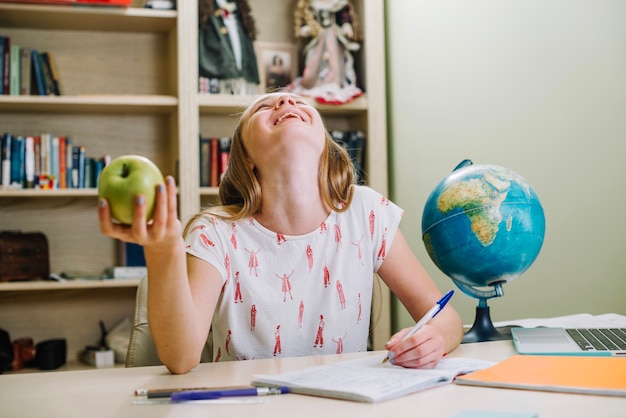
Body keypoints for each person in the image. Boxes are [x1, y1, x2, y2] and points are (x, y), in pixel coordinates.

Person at [98, 93, 464, 375]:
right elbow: (181, 358)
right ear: (246, 159)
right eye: (264, 108)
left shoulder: (366, 213)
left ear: (325, 147)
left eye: (298, 103)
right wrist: (163, 250)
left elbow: (444, 316)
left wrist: (434, 338)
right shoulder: (214, 233)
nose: (286, 101)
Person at [288, 0, 363, 104]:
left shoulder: (338, 4)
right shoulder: (313, 5)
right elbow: (309, 20)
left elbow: (345, 18)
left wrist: (346, 26)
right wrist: (308, 29)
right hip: (320, 38)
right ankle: (315, 84)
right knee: (315, 61)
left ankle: (334, 82)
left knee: (334, 60)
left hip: (333, 37)